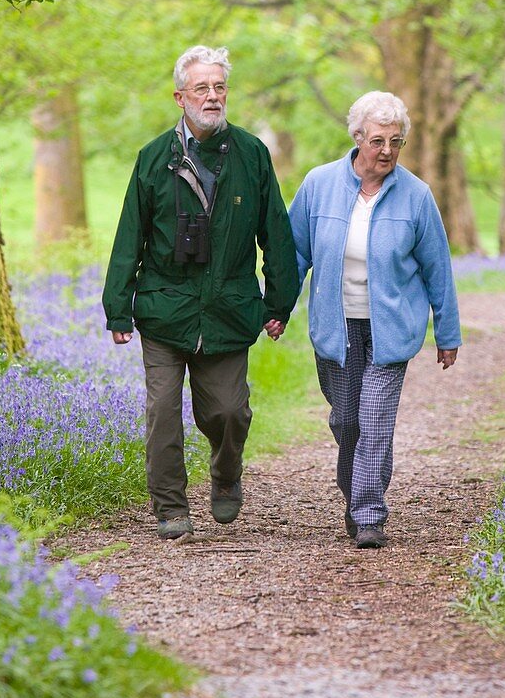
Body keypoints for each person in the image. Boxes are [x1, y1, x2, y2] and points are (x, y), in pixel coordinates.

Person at [103, 45, 299, 542]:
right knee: (162, 413)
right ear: (180, 97)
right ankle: (170, 505)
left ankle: (226, 472)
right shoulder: (153, 158)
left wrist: (279, 302)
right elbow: (130, 235)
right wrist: (118, 309)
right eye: (201, 88)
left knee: (228, 412)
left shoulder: (252, 153)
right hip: (165, 309)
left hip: (230, 310)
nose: (212, 97)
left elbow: (275, 233)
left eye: (219, 87)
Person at [288, 91, 461, 549]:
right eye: (378, 140)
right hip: (336, 325)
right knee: (346, 421)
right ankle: (357, 494)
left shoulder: (417, 196)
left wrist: (447, 333)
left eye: (396, 142)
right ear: (357, 137)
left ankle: (368, 514)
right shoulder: (319, 185)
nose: (386, 151)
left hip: (392, 330)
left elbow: (437, 268)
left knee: (375, 419)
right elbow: (294, 255)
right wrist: (275, 309)